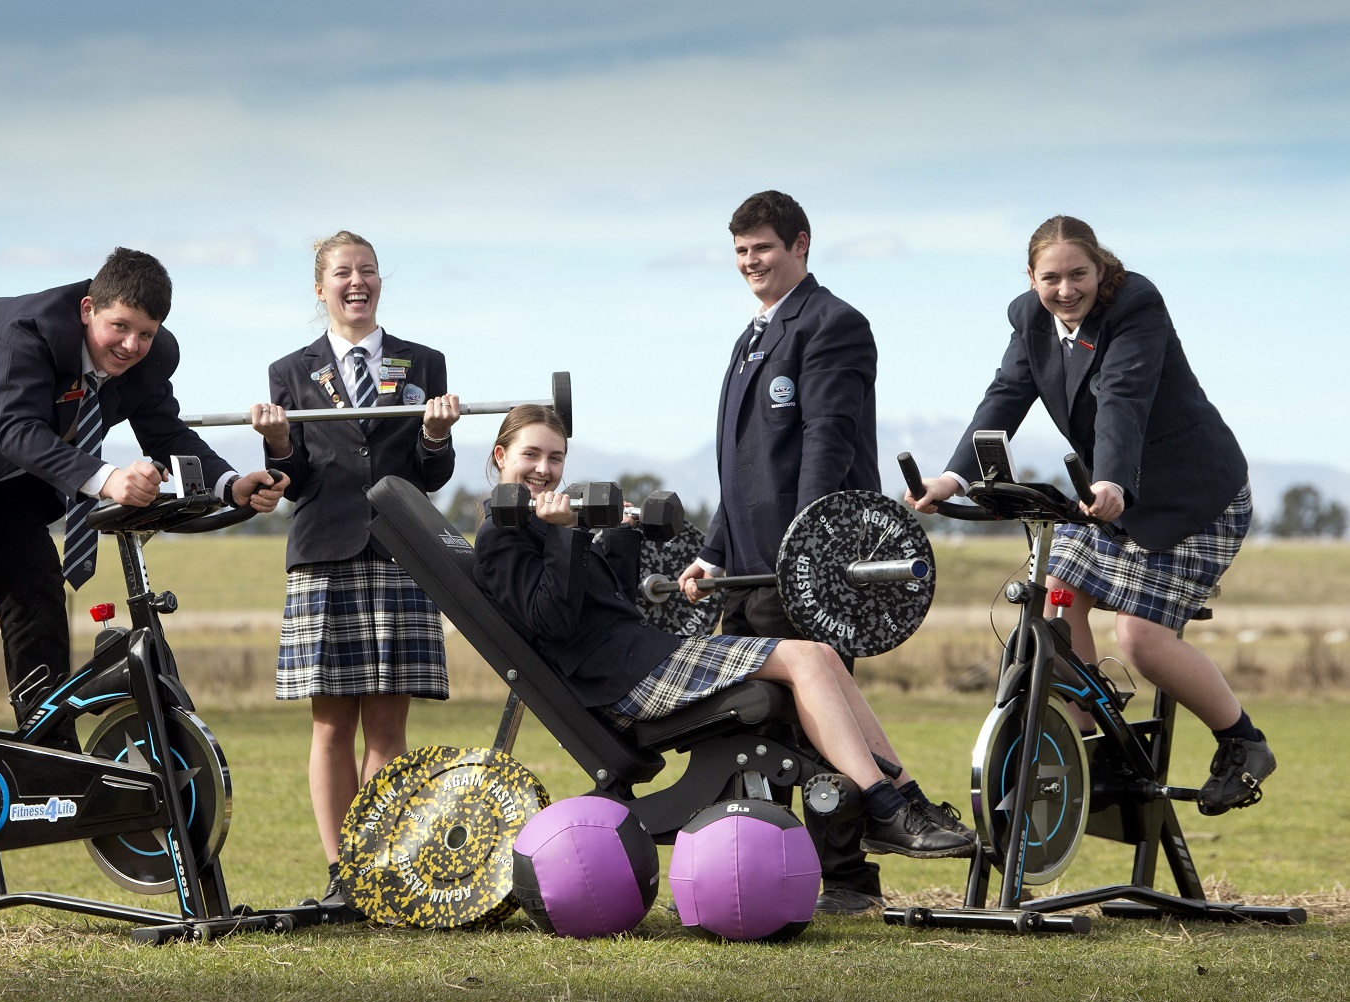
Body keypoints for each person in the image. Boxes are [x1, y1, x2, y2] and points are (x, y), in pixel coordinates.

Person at [0, 247, 287, 790]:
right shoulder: (35, 330)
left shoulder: (150, 357)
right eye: (119, 327)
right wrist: (105, 477)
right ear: (88, 308)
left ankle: (45, 737)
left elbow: (165, 431)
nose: (131, 346)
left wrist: (229, 484)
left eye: (146, 334)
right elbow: (21, 432)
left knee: (35, 570)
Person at [474, 405, 977, 866]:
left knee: (821, 653)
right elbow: (552, 623)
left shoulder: (550, 524)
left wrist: (624, 534)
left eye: (555, 458)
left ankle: (910, 800)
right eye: (531, 455)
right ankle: (884, 808)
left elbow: (613, 607)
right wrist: (567, 535)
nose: (544, 469)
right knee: (804, 659)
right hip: (620, 681)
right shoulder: (502, 536)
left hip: (642, 657)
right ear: (501, 457)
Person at [908, 215, 1273, 816]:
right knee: (1053, 594)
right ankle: (1087, 738)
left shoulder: (1135, 304)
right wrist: (951, 478)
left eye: (1079, 273)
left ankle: (1243, 743)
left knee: (1138, 638)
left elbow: (1123, 397)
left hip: (1192, 496)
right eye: (1051, 277)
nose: (1066, 288)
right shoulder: (1028, 317)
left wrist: (1110, 479)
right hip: (1109, 494)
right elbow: (1003, 397)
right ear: (1031, 278)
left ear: (1100, 269)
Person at [675, 190, 909, 915]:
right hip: (747, 572)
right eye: (742, 251)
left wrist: (804, 547)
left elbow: (826, 443)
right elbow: (740, 473)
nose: (751, 262)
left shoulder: (833, 325)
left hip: (809, 567)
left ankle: (846, 881)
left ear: (801, 244)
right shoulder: (750, 338)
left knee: (811, 722)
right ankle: (767, 868)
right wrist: (713, 557)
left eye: (764, 249)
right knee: (754, 722)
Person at [250, 231, 461, 910]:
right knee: (331, 723)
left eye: (367, 270)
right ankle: (344, 875)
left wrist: (435, 433)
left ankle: (381, 866)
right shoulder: (289, 371)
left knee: (389, 728)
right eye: (343, 272)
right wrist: (278, 442)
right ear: (321, 288)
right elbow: (296, 477)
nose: (357, 281)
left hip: (401, 549)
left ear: (379, 282)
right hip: (324, 551)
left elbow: (431, 474)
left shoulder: (424, 361)